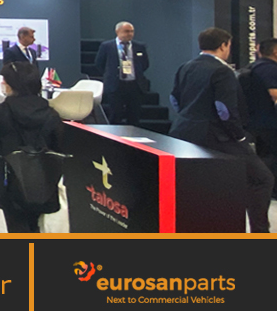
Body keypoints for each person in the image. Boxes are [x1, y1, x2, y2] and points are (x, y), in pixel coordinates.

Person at [170, 27, 274, 233]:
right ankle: (260, 233)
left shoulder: (186, 66)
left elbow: (175, 99)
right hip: (216, 136)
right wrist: (239, 137)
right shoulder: (222, 71)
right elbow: (224, 109)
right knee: (262, 178)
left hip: (184, 132)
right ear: (223, 45)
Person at [0, 61, 63, 234]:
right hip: (43, 181)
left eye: (4, 80)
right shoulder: (51, 113)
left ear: (12, 84)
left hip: (9, 180)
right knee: (36, 226)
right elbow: (58, 146)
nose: (2, 83)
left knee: (16, 226)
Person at [239, 38, 277, 196]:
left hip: (252, 122)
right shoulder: (270, 69)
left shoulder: (252, 67)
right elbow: (274, 93)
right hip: (268, 124)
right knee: (270, 157)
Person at [95, 21, 150, 127]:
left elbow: (145, 64)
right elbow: (99, 64)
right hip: (116, 85)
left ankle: (133, 136)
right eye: (126, 31)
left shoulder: (140, 46)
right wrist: (110, 74)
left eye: (132, 31)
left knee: (134, 116)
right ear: (117, 31)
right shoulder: (107, 46)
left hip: (134, 85)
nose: (130, 34)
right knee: (116, 115)